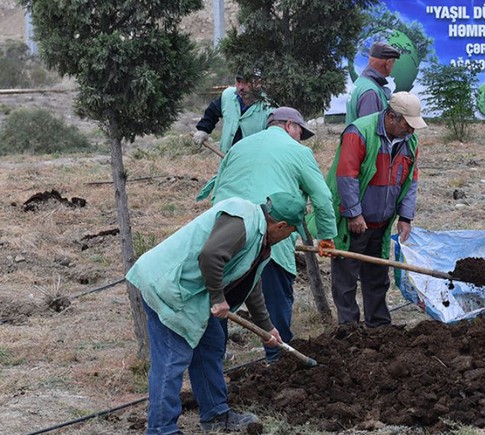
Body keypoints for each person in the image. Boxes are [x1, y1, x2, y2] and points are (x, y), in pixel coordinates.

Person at [126, 192, 308, 434]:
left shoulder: (261, 240)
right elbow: (210, 256)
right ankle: (161, 428)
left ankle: (215, 414)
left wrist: (266, 326)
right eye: (291, 231)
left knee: (211, 346)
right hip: (169, 287)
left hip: (195, 295)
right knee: (172, 359)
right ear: (281, 225)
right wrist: (218, 298)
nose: (290, 237)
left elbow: (249, 283)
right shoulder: (243, 220)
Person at [208, 107, 338, 362]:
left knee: (219, 299)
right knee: (275, 299)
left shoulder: (238, 147)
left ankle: (214, 361)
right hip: (270, 233)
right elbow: (322, 197)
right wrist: (325, 235)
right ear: (290, 125)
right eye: (301, 131)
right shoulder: (298, 152)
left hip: (222, 235)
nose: (301, 137)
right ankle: (277, 362)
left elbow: (216, 189)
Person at [325, 92, 427, 326]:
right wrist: (354, 213)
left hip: (381, 222)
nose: (411, 131)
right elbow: (346, 176)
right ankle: (349, 328)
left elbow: (411, 180)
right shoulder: (359, 132)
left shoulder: (410, 142)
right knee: (346, 277)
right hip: (354, 222)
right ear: (392, 117)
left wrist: (405, 216)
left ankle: (379, 326)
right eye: (408, 125)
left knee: (378, 275)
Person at [193, 71, 271, 154]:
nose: (241, 87)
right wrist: (203, 129)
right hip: (226, 158)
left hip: (252, 162)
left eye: (246, 82)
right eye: (238, 81)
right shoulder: (228, 95)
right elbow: (212, 112)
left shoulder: (269, 107)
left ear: (258, 83)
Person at [345, 41, 401, 124]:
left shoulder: (361, 82)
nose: (393, 67)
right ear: (388, 63)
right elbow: (369, 133)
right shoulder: (371, 92)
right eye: (393, 63)